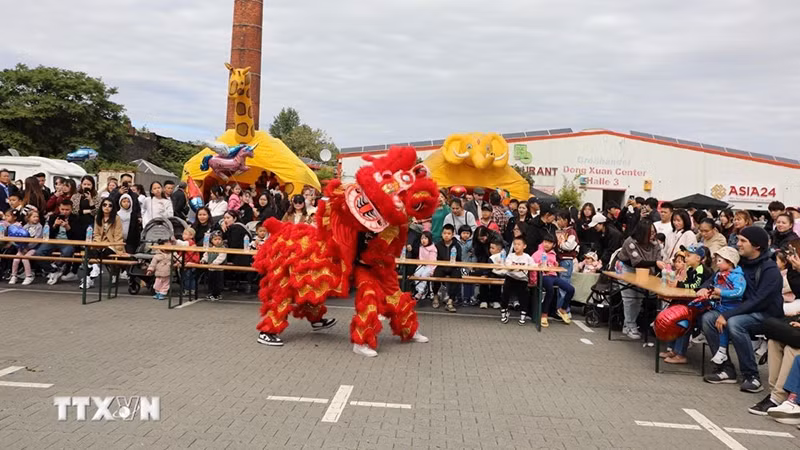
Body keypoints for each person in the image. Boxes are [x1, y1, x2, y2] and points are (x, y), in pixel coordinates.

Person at [701, 226, 784, 391]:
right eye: (738, 239)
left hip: (766, 315)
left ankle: (752, 376)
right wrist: (705, 288)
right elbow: (715, 277)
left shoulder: (770, 269)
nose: (738, 244)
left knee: (735, 323)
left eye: (743, 241)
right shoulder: (739, 262)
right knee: (708, 319)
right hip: (740, 310)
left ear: (756, 246)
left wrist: (728, 315)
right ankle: (725, 369)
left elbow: (759, 301)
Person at [616, 219, 661, 339]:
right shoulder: (630, 242)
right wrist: (656, 263)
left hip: (644, 271)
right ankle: (630, 325)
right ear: (642, 232)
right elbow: (637, 262)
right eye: (650, 233)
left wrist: (660, 265)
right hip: (626, 268)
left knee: (639, 298)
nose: (653, 235)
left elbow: (658, 258)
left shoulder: (655, 243)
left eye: (654, 232)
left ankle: (628, 324)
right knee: (629, 298)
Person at [703, 246, 748, 365]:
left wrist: (721, 293)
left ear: (729, 262)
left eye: (719, 261)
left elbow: (738, 292)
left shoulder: (737, 277)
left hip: (732, 307)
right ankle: (703, 333)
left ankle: (722, 350)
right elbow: (717, 286)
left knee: (722, 326)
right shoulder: (719, 274)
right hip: (720, 304)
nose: (717, 263)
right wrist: (713, 293)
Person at [532, 234, 575, 326]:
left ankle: (562, 309)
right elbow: (531, 265)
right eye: (545, 242)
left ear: (554, 245)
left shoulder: (553, 254)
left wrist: (555, 265)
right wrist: (537, 271)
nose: (546, 244)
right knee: (550, 290)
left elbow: (554, 266)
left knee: (571, 289)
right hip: (543, 276)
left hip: (553, 276)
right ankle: (544, 314)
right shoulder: (537, 254)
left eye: (549, 243)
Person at [81, 198, 124, 289]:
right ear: (101, 206)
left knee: (102, 253)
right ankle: (89, 276)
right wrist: (96, 244)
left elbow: (118, 236)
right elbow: (96, 234)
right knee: (88, 252)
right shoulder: (98, 217)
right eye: (104, 205)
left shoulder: (117, 218)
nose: (107, 207)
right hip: (100, 243)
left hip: (112, 244)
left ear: (113, 208)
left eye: (110, 205)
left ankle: (92, 276)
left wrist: (118, 249)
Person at [36, 200, 81, 285]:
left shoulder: (76, 218)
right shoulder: (53, 217)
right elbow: (49, 234)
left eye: (67, 210)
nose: (64, 212)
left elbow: (77, 237)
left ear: (71, 209)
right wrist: (54, 226)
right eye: (62, 209)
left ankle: (56, 266)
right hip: (54, 240)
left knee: (68, 251)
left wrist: (68, 228)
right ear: (59, 208)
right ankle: (53, 270)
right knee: (38, 252)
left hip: (68, 242)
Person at [498, 236, 535, 325]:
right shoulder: (510, 256)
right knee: (505, 294)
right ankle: (504, 311)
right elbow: (508, 266)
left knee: (524, 296)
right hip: (510, 277)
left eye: (519, 244)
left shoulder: (527, 257)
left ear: (524, 246)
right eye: (515, 244)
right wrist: (516, 268)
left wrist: (539, 264)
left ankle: (523, 314)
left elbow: (533, 266)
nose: (516, 246)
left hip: (522, 279)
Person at [432, 224, 461, 312]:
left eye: (449, 233)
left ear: (452, 235)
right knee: (436, 275)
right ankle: (436, 295)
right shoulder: (438, 245)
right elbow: (435, 258)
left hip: (453, 267)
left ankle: (450, 301)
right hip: (441, 266)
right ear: (442, 234)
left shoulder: (457, 245)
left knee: (457, 277)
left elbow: (459, 259)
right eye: (444, 233)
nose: (446, 235)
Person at [8, 210, 42, 285]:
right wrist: (22, 247)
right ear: (28, 218)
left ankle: (29, 276)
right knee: (16, 259)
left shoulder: (39, 227)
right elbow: (21, 238)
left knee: (25, 258)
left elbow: (37, 239)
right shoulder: (25, 226)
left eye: (37, 216)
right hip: (23, 248)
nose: (36, 218)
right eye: (34, 217)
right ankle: (14, 275)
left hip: (34, 248)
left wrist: (27, 248)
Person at [201, 231, 227, 301]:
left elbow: (221, 257)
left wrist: (215, 263)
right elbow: (206, 254)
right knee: (211, 281)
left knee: (218, 282)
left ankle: (218, 294)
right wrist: (204, 259)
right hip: (210, 268)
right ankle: (211, 293)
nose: (217, 241)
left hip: (219, 269)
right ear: (211, 240)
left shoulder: (222, 248)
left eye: (219, 239)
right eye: (215, 239)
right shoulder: (210, 247)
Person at [413, 231, 437, 300]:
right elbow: (421, 258)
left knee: (424, 274)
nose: (423, 240)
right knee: (416, 273)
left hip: (430, 266)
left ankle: (421, 291)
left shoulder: (433, 248)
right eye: (422, 238)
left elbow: (433, 261)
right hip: (422, 265)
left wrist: (432, 270)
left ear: (429, 239)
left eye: (425, 238)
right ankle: (419, 290)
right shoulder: (421, 247)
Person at [176, 227, 199, 296]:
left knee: (187, 277)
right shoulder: (187, 243)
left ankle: (188, 290)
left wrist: (175, 241)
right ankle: (190, 289)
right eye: (183, 234)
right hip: (188, 261)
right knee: (188, 277)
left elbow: (182, 244)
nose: (183, 235)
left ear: (191, 236)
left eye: (186, 234)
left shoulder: (190, 243)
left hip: (190, 261)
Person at [456, 225, 476, 305]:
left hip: (469, 265)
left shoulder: (472, 243)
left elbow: (474, 255)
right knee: (459, 282)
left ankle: (470, 297)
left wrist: (473, 265)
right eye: (464, 233)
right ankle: (460, 298)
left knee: (470, 281)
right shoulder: (456, 242)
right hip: (459, 265)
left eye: (467, 233)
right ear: (460, 233)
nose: (465, 235)